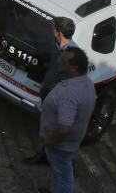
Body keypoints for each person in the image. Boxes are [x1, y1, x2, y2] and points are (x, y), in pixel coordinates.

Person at [38, 47, 96, 193]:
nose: (59, 62)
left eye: (63, 61)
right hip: (70, 143)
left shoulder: (70, 93)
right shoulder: (86, 82)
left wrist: (50, 139)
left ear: (74, 68)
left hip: (60, 145)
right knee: (60, 172)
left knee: (63, 176)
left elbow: (64, 128)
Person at [24, 17, 77, 165]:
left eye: (54, 28)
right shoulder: (58, 47)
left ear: (59, 32)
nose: (51, 31)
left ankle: (54, 157)